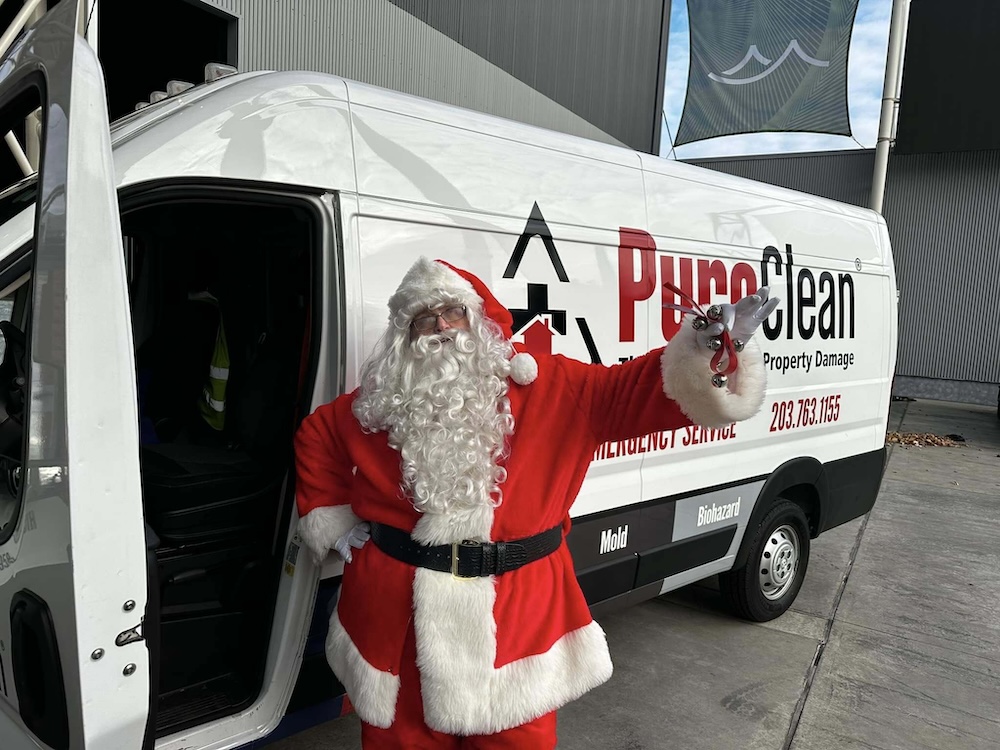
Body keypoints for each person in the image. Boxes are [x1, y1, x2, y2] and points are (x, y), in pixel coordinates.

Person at [294, 257, 777, 749]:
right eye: (424, 317)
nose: (440, 326)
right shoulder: (381, 402)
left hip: (517, 617)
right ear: (406, 335)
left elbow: (639, 391)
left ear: (481, 319)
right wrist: (334, 524)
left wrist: (708, 349)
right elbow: (317, 435)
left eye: (453, 312)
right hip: (396, 617)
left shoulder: (554, 386)